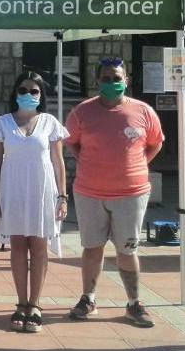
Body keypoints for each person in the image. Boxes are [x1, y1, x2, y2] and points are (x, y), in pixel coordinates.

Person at [65, 57, 164, 328]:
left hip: (131, 194)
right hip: (89, 192)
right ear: (98, 81)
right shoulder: (81, 113)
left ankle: (134, 303)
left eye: (117, 78)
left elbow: (155, 144)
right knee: (91, 248)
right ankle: (88, 299)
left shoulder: (143, 111)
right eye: (106, 79)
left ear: (126, 80)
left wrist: (136, 166)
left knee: (127, 250)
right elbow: (71, 143)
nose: (112, 83)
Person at [0, 71, 69, 333]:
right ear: (15, 93)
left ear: (41, 95)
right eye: (23, 90)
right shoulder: (2, 123)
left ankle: (35, 305)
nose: (28, 95)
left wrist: (63, 196)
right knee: (18, 246)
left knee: (40, 246)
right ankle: (21, 303)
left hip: (43, 191)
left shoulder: (50, 123)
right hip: (14, 190)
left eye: (34, 91)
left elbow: (58, 161)